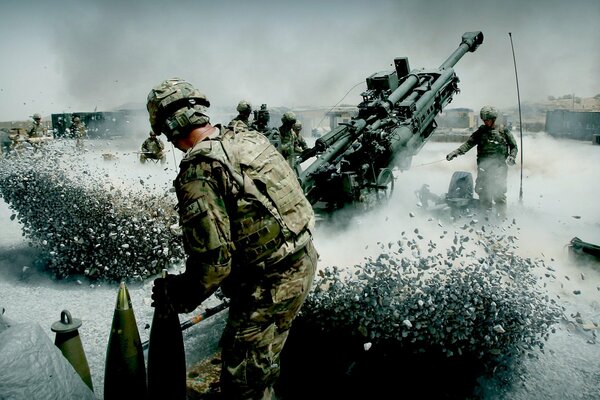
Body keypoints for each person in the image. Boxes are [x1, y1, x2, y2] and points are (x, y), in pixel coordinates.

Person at [146, 78, 317, 399]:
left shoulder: (199, 169)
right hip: (302, 259)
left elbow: (213, 265)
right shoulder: (248, 137)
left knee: (244, 384)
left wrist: (177, 294)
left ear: (169, 127)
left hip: (271, 285)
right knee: (261, 357)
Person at [446, 105, 518, 218]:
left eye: (488, 120)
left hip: (499, 168)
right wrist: (456, 152)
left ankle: (502, 220)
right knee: (484, 194)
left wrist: (512, 157)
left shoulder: (503, 131)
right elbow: (469, 144)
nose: (486, 122)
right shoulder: (481, 132)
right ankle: (484, 220)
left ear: (493, 119)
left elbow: (514, 146)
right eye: (484, 120)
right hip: (484, 168)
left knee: (499, 194)